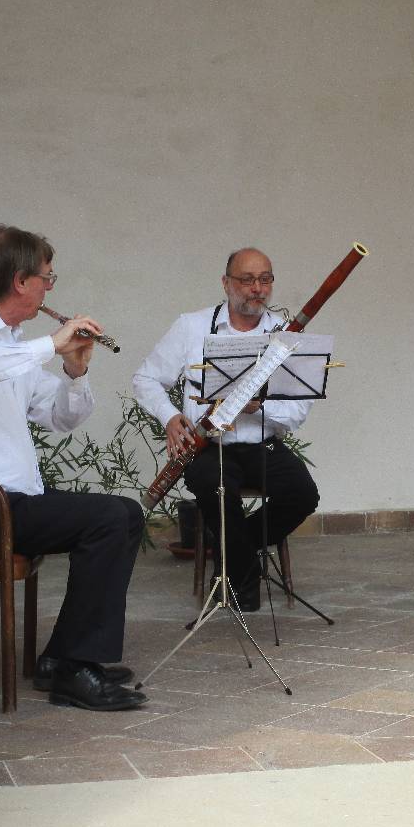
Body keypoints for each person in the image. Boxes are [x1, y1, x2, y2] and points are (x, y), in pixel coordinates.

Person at [0, 225, 148, 710]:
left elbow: (61, 417)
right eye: (47, 278)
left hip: (5, 504)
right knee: (106, 519)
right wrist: (49, 346)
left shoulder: (13, 345)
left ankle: (62, 658)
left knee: (126, 513)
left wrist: (75, 371)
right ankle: (75, 669)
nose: (50, 289)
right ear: (20, 281)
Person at [132, 247, 320, 611]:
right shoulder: (191, 326)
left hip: (262, 444)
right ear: (226, 283)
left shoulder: (285, 336)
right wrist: (170, 417)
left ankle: (235, 553)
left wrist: (259, 405)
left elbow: (297, 412)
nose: (257, 288)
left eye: (265, 279)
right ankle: (242, 582)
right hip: (209, 446)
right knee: (215, 488)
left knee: (302, 494)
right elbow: (146, 379)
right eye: (247, 280)